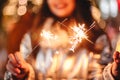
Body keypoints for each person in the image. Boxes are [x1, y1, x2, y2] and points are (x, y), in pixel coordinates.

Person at [5, 0, 119, 80]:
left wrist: (112, 74)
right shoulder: (32, 37)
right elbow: (24, 68)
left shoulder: (96, 39)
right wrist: (20, 74)